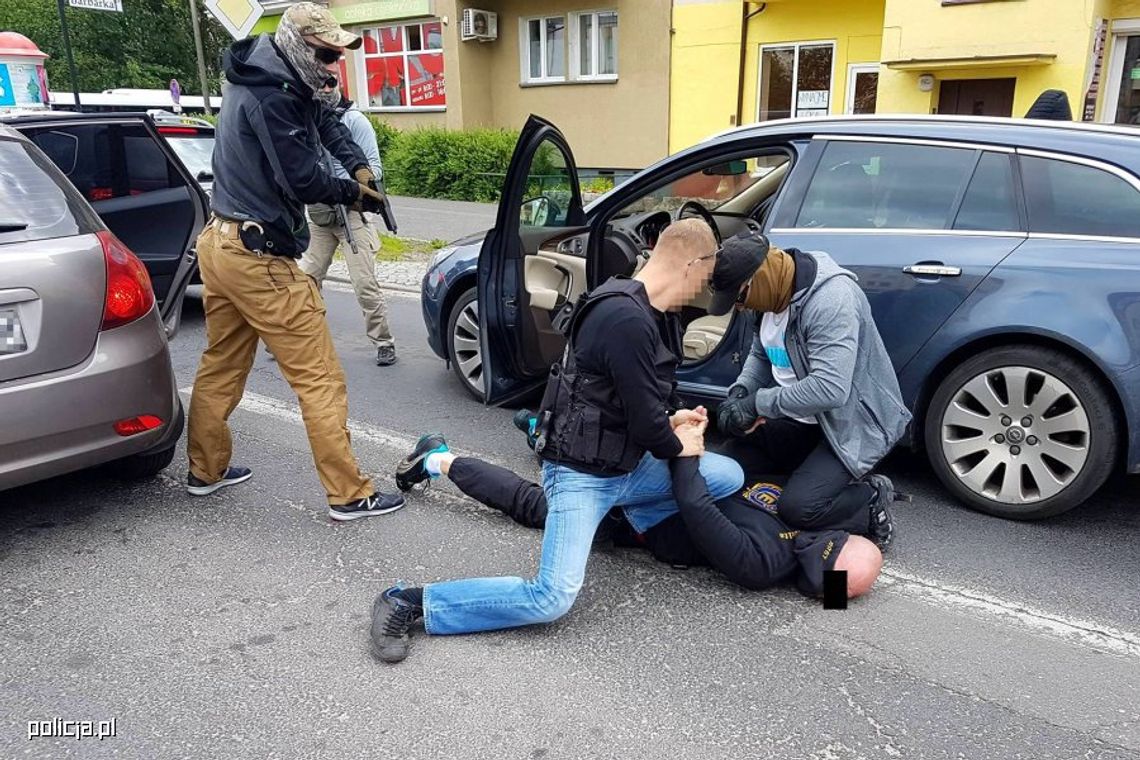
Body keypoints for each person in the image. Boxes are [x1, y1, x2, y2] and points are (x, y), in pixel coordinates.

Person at [370, 220, 753, 663]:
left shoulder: (653, 312)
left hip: (628, 465)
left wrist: (675, 418)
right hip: (581, 475)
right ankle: (410, 602)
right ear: (692, 265)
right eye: (706, 277)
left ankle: (629, 517)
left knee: (728, 474)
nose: (705, 289)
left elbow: (639, 407)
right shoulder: (623, 318)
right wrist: (680, 442)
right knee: (551, 598)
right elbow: (650, 429)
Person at [186, 2, 405, 521]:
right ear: (299, 46)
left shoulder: (271, 71)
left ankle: (205, 469)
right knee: (320, 378)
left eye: (338, 56)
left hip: (220, 244)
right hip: (259, 255)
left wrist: (355, 163)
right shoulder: (274, 98)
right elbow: (304, 181)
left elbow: (328, 120)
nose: (333, 66)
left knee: (221, 364)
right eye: (327, 54)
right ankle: (350, 494)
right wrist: (356, 193)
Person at [390, 433, 883, 603]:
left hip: (645, 518)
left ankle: (438, 459)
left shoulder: (765, 562)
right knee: (574, 474)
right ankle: (543, 433)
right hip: (674, 483)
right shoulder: (813, 519)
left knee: (538, 506)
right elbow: (834, 575)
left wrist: (689, 453)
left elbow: (696, 507)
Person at [710, 241, 911, 549]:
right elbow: (761, 355)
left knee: (799, 509)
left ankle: (870, 497)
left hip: (845, 428)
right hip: (795, 420)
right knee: (721, 473)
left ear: (760, 277)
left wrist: (757, 403)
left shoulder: (831, 300)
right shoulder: (770, 298)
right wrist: (741, 393)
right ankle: (808, 474)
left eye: (740, 297)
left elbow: (830, 388)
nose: (740, 307)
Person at [300, 93, 399, 366]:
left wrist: (342, 185)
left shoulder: (354, 121)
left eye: (330, 82)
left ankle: (383, 342)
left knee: (364, 283)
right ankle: (300, 339)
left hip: (352, 213)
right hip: (321, 214)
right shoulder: (305, 116)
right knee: (306, 280)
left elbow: (374, 170)